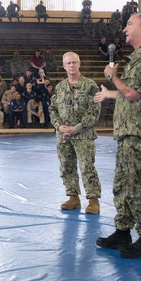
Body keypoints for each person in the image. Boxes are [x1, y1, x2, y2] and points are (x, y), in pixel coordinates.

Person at [93, 12, 141, 259]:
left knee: (140, 187)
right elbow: (129, 94)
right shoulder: (137, 57)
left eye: (130, 24)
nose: (124, 29)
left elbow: (133, 94)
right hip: (129, 133)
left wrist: (112, 76)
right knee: (123, 185)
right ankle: (122, 231)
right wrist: (111, 92)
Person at [51, 52, 102, 214]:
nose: (72, 66)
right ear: (64, 66)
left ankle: (93, 200)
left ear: (79, 64)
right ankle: (73, 197)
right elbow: (52, 109)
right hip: (63, 135)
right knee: (66, 166)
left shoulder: (90, 86)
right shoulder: (59, 87)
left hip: (83, 135)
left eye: (74, 62)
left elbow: (94, 112)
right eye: (68, 63)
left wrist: (77, 128)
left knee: (87, 167)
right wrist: (59, 126)